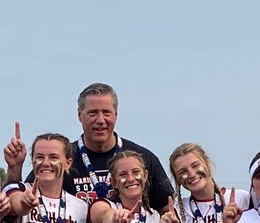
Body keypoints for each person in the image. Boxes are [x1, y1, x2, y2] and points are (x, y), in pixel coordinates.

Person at [10, 83, 173, 211]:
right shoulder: (60, 157)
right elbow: (21, 198)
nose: (100, 120)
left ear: (116, 114)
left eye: (106, 113)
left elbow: (168, 209)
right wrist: (14, 168)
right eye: (93, 113)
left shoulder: (142, 158)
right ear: (79, 115)